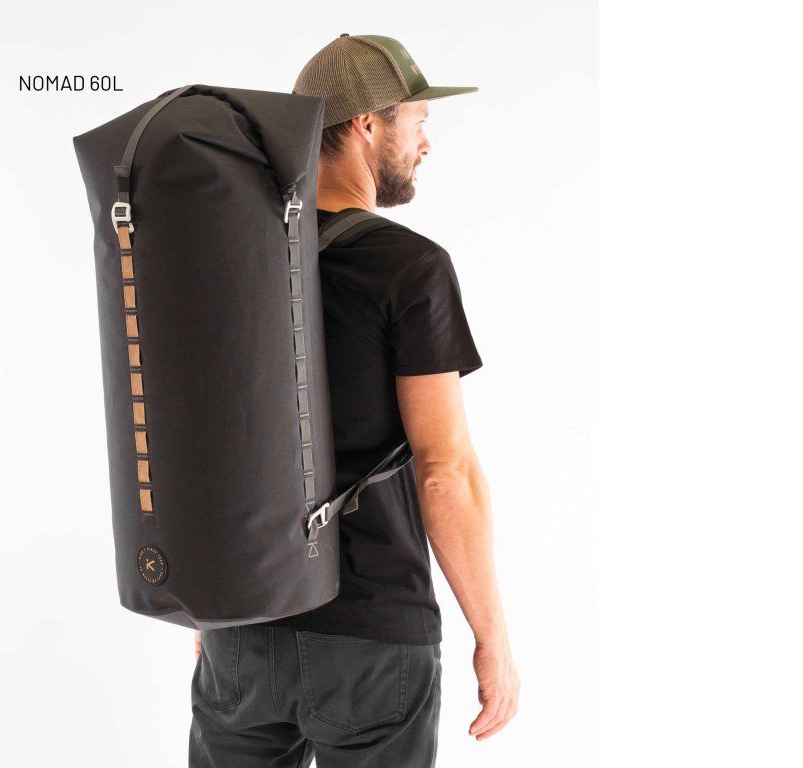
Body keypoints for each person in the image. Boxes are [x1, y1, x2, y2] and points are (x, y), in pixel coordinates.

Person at [189, 33, 519, 768]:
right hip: (374, 638)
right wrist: (492, 637)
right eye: (418, 120)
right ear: (369, 124)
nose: (426, 142)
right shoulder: (409, 268)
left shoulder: (237, 260)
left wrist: (214, 603)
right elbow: (445, 472)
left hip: (242, 624)